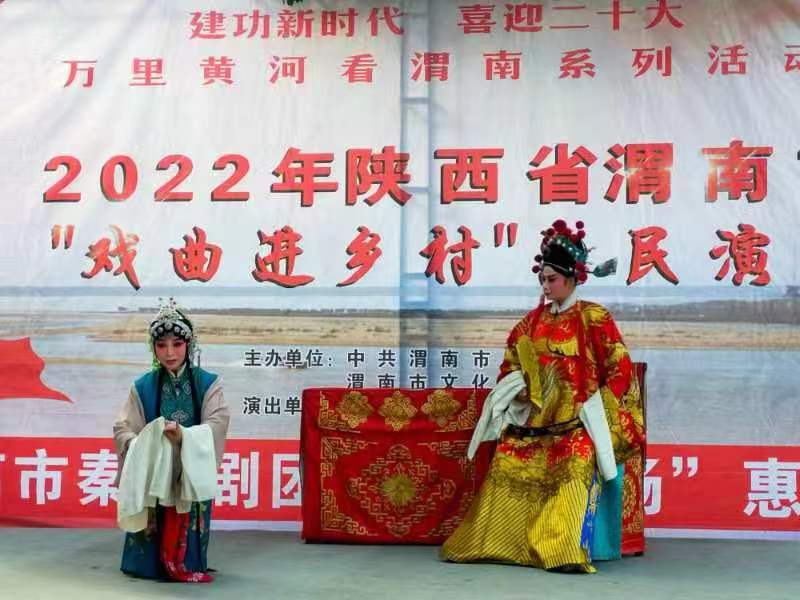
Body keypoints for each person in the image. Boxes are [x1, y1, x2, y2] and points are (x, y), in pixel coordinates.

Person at [442, 219, 644, 573]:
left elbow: (619, 369)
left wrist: (600, 414)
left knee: (578, 461)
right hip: (533, 426)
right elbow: (510, 364)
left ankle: (563, 551)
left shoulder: (594, 318)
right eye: (543, 279)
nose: (546, 286)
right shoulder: (530, 323)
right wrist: (517, 386)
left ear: (572, 278)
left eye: (552, 279)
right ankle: (497, 545)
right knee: (506, 457)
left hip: (577, 426)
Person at [113, 298, 229, 582]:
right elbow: (123, 427)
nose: (169, 352)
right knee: (153, 521)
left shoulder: (207, 383)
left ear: (189, 345)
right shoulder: (142, 386)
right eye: (161, 345)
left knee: (189, 521)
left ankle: (187, 562)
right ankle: (149, 565)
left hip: (190, 468)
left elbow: (217, 422)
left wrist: (185, 436)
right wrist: (142, 443)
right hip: (154, 468)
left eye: (176, 344)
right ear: (153, 348)